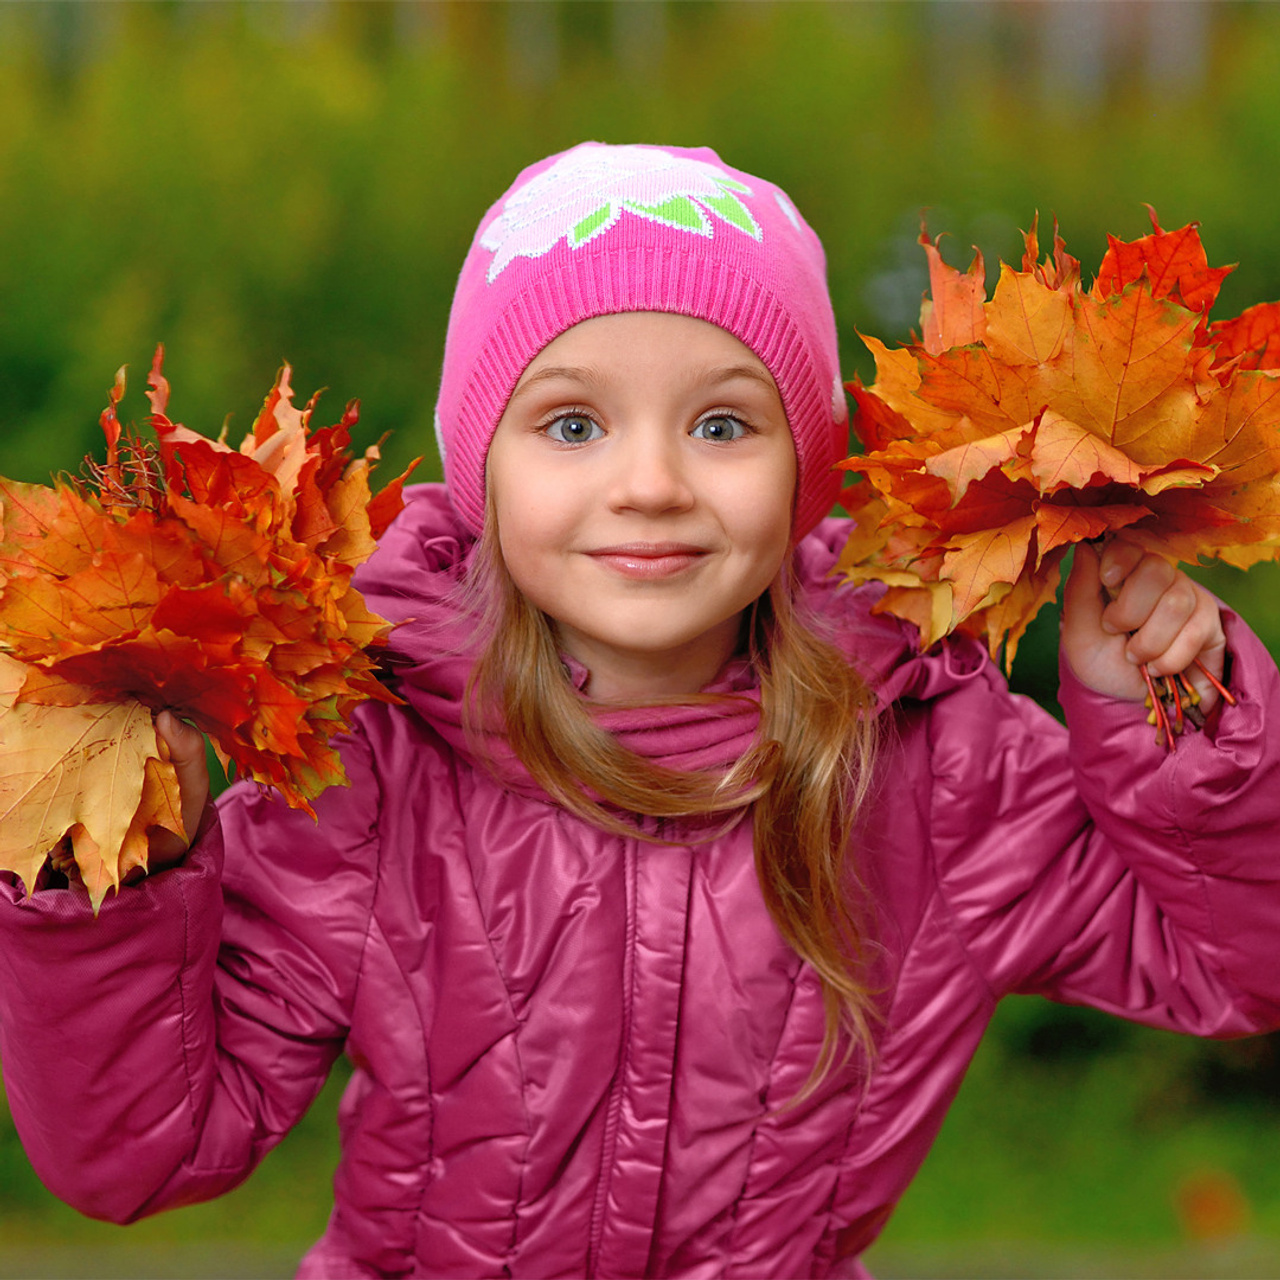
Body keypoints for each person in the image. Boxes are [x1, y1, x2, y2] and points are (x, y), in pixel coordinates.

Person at [2, 141, 1280, 1280]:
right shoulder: (376, 755)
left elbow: (1235, 964)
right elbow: (141, 1155)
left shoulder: (927, 755)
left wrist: (1171, 720)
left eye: (722, 421)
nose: (652, 483)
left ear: (806, 468)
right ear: (478, 470)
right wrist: (107, 876)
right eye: (570, 423)